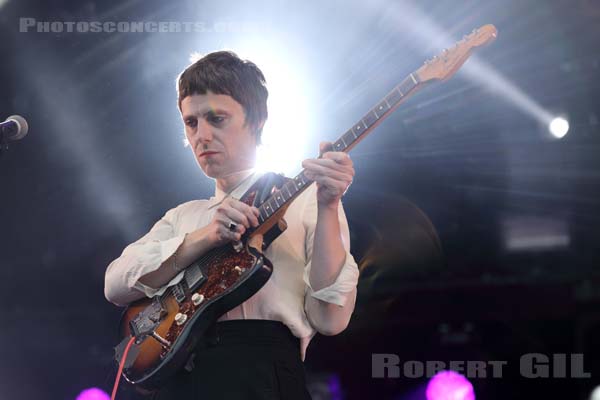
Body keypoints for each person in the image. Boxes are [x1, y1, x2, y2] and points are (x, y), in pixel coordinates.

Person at [104, 51, 359, 399]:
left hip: (262, 375)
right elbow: (115, 284)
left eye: (217, 119)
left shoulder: (307, 198)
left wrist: (329, 204)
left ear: (256, 121)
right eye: (191, 123)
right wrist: (204, 238)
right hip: (183, 378)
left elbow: (331, 320)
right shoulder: (183, 216)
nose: (202, 135)